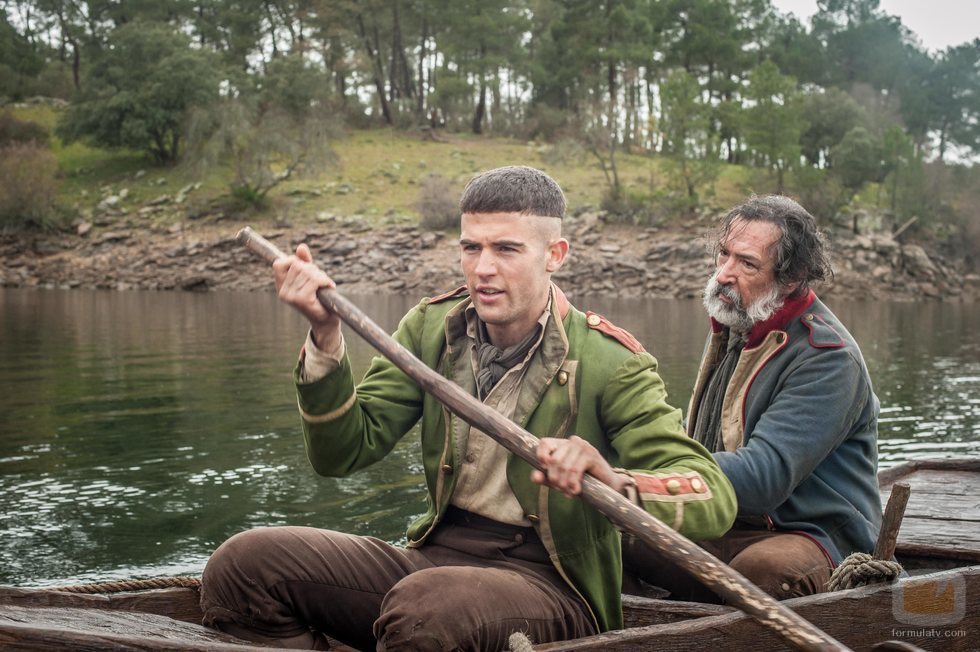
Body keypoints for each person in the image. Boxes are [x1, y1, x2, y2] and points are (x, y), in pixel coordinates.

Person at [200, 166, 736, 650]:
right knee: (243, 564)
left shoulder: (609, 360)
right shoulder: (429, 327)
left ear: (555, 255)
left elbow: (711, 493)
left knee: (428, 610)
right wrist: (324, 332)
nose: (483, 268)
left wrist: (614, 480)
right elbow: (340, 454)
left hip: (553, 586)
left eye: (506, 249)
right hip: (434, 557)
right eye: (470, 247)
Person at [624, 194, 883, 602]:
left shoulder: (827, 358)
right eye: (723, 255)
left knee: (762, 573)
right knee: (611, 534)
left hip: (814, 534)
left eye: (746, 263)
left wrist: (645, 479)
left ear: (793, 276)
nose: (724, 273)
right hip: (730, 520)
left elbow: (765, 478)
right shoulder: (741, 326)